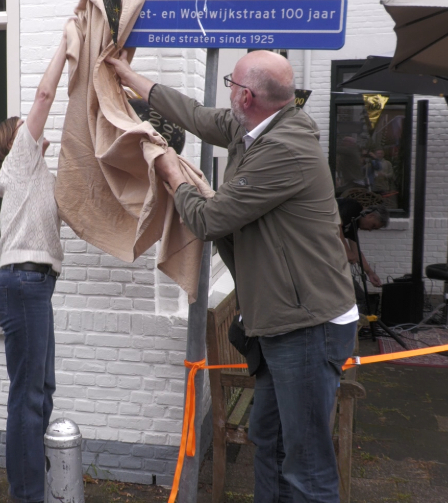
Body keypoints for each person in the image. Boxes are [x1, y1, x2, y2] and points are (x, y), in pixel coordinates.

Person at [107, 50, 358, 503]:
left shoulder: (283, 150)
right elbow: (199, 117)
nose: (227, 93)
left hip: (307, 325)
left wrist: (169, 172)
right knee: (270, 438)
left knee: (306, 465)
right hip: (281, 322)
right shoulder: (256, 127)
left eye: (230, 84)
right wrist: (128, 77)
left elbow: (208, 221)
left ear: (246, 96)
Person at [0, 28, 67, 503]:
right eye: (26, 126)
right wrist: (64, 44)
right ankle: (27, 496)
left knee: (41, 390)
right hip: (23, 284)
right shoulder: (19, 162)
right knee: (29, 398)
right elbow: (44, 94)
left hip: (33, 286)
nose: (34, 126)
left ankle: (30, 486)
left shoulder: (35, 177)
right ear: (15, 142)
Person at [337, 198, 389, 290]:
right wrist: (347, 252)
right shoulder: (354, 207)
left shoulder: (354, 224)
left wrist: (370, 273)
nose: (369, 230)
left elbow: (356, 252)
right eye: (373, 226)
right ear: (371, 215)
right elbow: (336, 225)